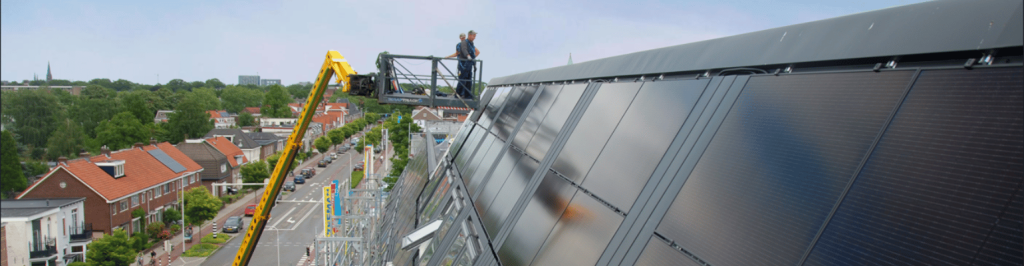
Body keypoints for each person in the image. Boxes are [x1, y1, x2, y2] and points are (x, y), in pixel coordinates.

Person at [446, 31, 480, 99]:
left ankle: (467, 95)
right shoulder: (462, 43)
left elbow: (477, 52)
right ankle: (458, 95)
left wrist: (472, 60)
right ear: (469, 35)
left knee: (469, 80)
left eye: (463, 37)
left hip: (469, 64)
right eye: (473, 36)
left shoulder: (471, 44)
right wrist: (468, 56)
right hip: (463, 64)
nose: (463, 38)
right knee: (462, 80)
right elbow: (462, 51)